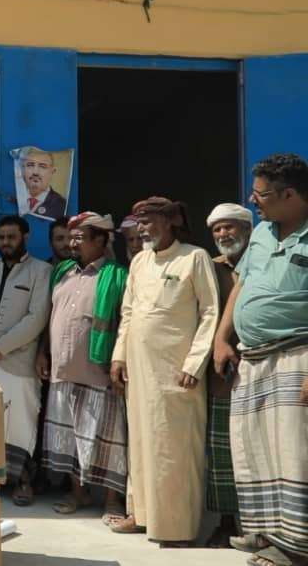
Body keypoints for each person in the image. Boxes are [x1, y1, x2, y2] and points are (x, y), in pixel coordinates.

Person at [109, 196, 220, 547]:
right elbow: (128, 313)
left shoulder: (194, 257)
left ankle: (176, 528)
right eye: (138, 222)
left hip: (176, 371)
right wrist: (119, 356)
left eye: (148, 221)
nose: (142, 228)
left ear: (170, 221)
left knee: (173, 448)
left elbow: (210, 313)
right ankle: (141, 514)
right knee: (142, 443)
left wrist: (194, 363)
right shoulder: (139, 261)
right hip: (138, 370)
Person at [214, 154, 308, 566]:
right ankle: (268, 531)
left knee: (295, 454)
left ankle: (296, 547)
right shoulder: (263, 235)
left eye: (261, 195)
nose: (253, 202)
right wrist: (222, 338)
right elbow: (242, 286)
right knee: (255, 451)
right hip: (253, 360)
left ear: (290, 195)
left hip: (296, 356)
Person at [38, 212, 129, 524]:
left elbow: (126, 322)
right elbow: (50, 316)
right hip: (63, 369)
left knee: (108, 438)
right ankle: (78, 493)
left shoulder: (117, 275)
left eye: (79, 238)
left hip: (99, 372)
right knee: (72, 435)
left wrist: (118, 360)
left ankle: (112, 501)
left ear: (100, 240)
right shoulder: (62, 271)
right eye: (71, 238)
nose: (72, 244)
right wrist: (43, 353)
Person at [0, 215, 51, 506]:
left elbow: (37, 317)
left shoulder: (41, 271)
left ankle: (23, 480)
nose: (5, 242)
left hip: (18, 362)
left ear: (25, 237)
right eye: (1, 237)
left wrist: (1, 347)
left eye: (11, 237)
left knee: (21, 423)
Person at [202, 203, 253, 548]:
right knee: (222, 453)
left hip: (259, 368)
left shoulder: (263, 263)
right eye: (217, 229)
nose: (223, 234)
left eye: (229, 227)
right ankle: (226, 522)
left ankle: (260, 524)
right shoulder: (209, 267)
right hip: (221, 374)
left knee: (258, 448)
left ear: (247, 229)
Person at [19, 148, 67, 219]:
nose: (35, 172)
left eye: (42, 166)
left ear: (52, 172)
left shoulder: (62, 205)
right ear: (22, 169)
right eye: (30, 165)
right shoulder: (15, 199)